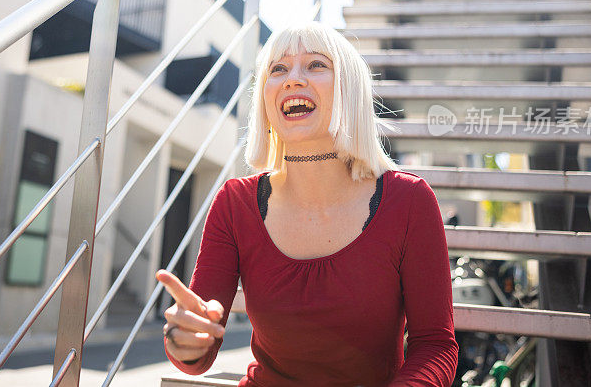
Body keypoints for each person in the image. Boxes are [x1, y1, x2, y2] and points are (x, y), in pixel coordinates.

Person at [157, 22, 458, 386]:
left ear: (351, 91)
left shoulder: (410, 201)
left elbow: (436, 346)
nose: (292, 79)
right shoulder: (235, 203)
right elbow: (197, 351)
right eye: (278, 69)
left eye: (316, 65)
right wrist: (186, 341)